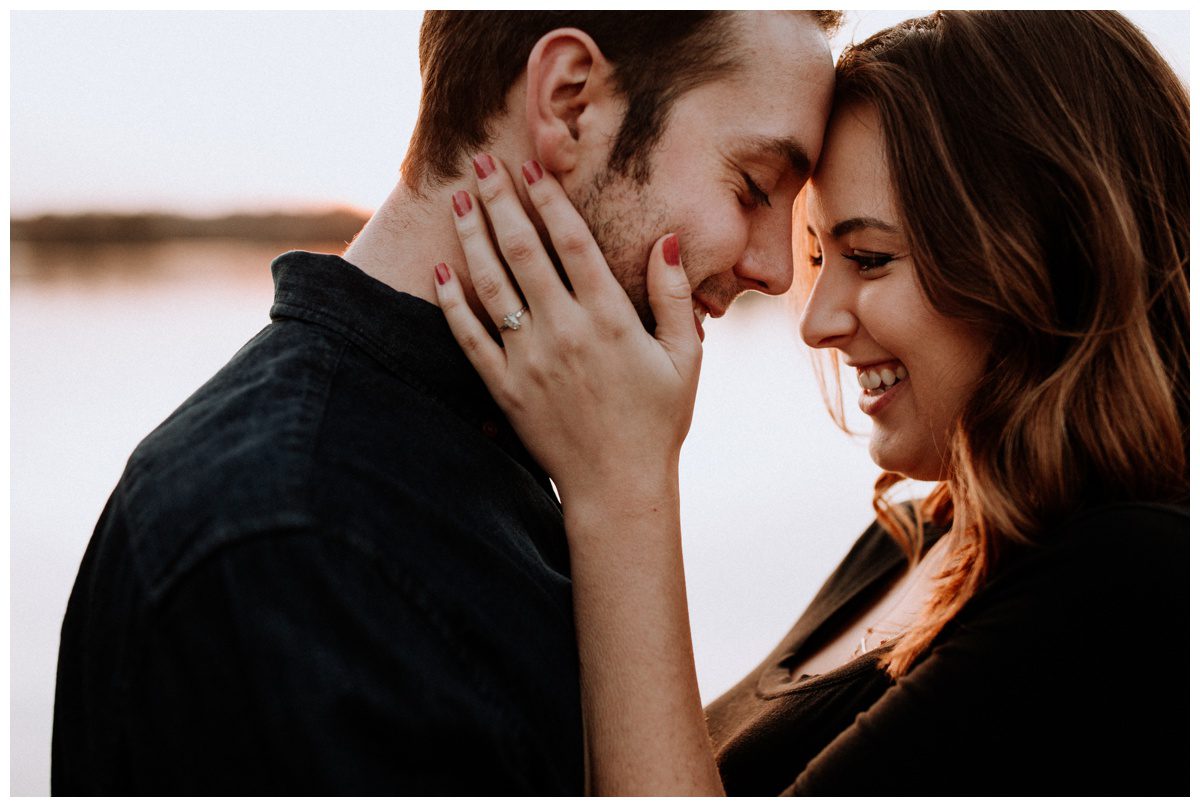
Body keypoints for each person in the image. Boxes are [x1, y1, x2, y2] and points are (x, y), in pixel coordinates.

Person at [51, 11, 839, 795]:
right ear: (569, 103)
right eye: (754, 185)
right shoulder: (296, 548)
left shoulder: (511, 443)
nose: (775, 269)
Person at [435, 10, 1189, 795]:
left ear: (1044, 257)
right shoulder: (919, 531)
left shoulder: (1137, 584)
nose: (819, 321)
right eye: (820, 252)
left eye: (869, 257)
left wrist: (624, 490)